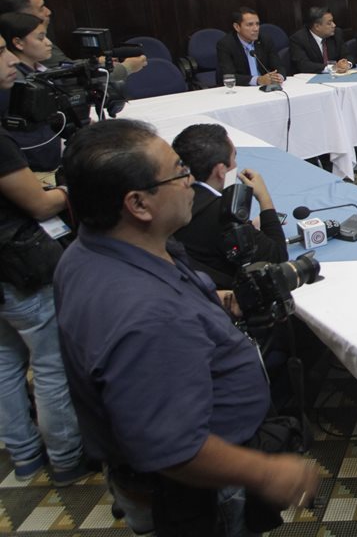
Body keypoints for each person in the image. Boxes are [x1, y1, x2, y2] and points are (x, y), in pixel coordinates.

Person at [54, 120, 319, 534]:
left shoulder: (98, 248)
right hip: (199, 491)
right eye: (180, 173)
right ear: (138, 204)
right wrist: (267, 473)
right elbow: (176, 449)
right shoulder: (147, 317)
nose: (191, 183)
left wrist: (217, 303)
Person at [0, 32, 88, 486]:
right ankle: (67, 459)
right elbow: (38, 205)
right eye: (1, 52)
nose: (11, 60)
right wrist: (75, 187)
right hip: (19, 265)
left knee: (5, 363)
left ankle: (24, 456)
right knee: (51, 363)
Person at [171, 124, 288, 289]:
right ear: (221, 170)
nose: (236, 164)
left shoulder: (168, 198)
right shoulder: (223, 215)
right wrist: (264, 198)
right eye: (234, 157)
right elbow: (278, 257)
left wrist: (249, 227)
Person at [0, 0, 146, 81]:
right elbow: (67, 74)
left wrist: (94, 62)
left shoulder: (34, 50)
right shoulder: (19, 75)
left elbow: (65, 67)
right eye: (40, 8)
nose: (48, 12)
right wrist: (127, 68)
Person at [0, 11, 64, 170]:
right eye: (40, 38)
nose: (49, 43)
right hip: (37, 164)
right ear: (19, 43)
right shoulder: (16, 85)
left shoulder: (40, 72)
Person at [216, 8, 286, 87]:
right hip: (241, 89)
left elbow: (279, 66)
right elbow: (229, 76)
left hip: (265, 87)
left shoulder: (265, 40)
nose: (256, 29)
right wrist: (258, 80)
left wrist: (279, 77)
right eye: (250, 25)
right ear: (237, 27)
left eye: (257, 24)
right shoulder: (226, 44)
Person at [289, 7, 352, 73]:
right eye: (329, 23)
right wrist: (332, 67)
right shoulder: (299, 39)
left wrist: (347, 64)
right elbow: (304, 65)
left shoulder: (337, 33)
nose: (334, 25)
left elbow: (347, 55)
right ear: (317, 27)